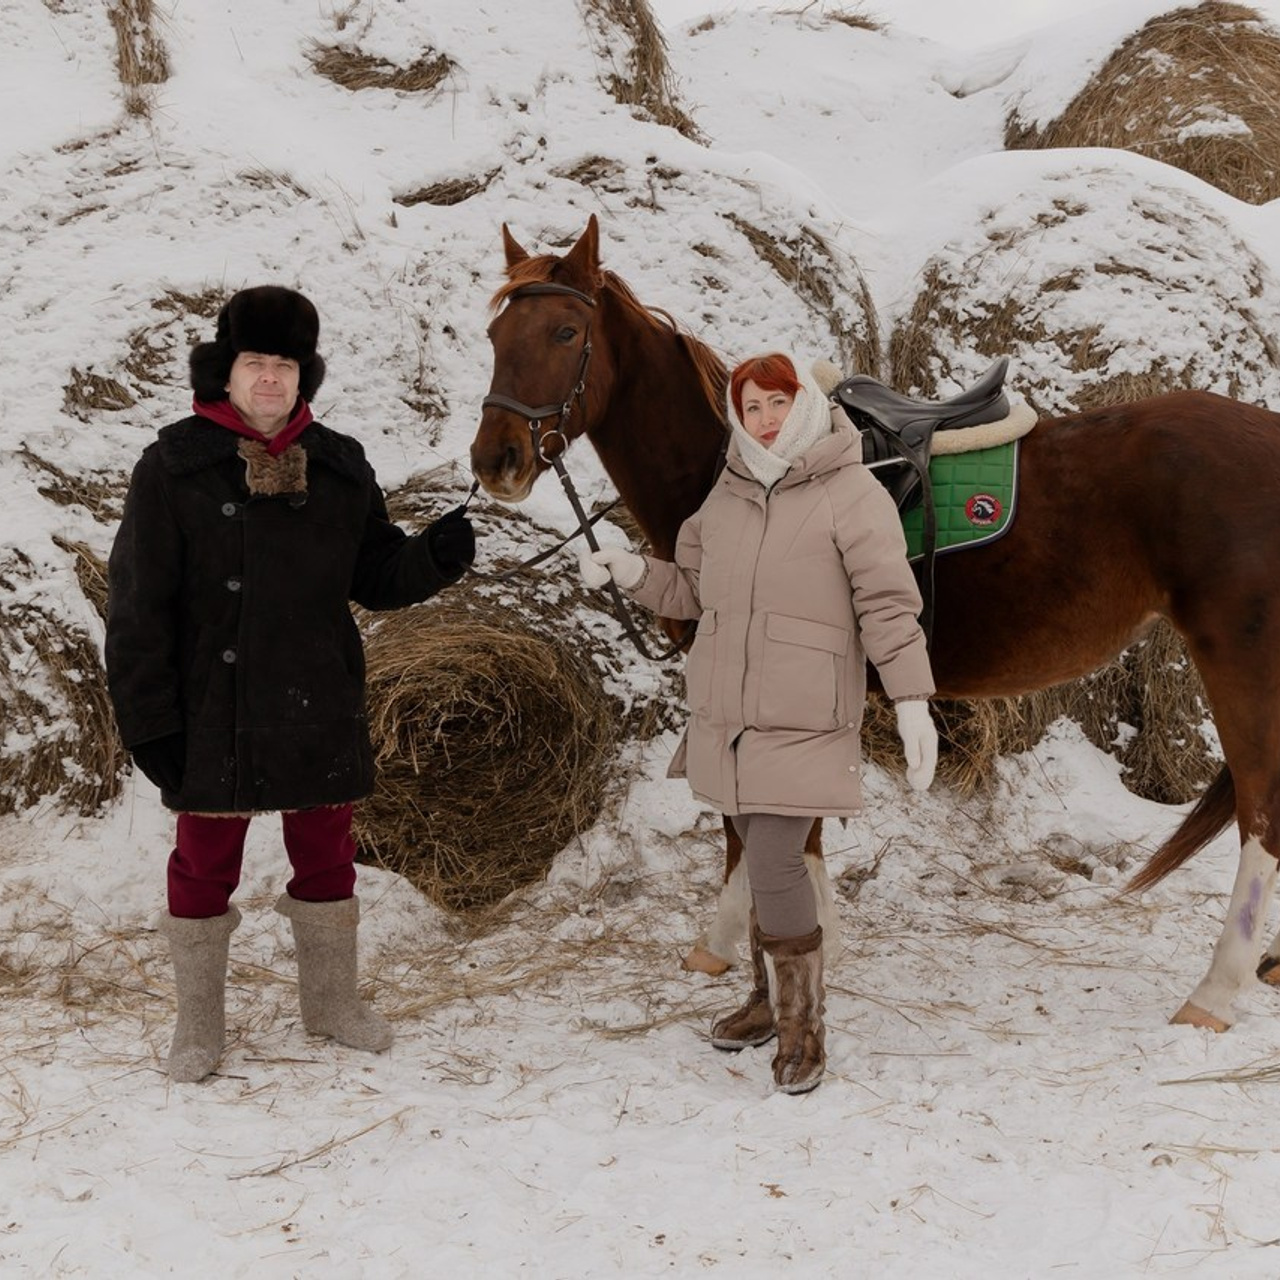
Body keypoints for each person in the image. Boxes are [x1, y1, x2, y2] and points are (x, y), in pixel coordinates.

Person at [106, 285, 477, 1083]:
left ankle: (332, 1005)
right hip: (215, 706)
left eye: (283, 365)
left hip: (316, 697)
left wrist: (432, 558)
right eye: (254, 363)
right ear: (225, 372)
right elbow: (137, 604)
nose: (269, 379)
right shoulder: (175, 464)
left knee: (328, 858)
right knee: (203, 864)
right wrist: (150, 723)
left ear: (302, 376)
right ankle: (198, 1028)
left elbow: (374, 575)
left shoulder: (339, 464)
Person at [579, 351, 937, 1094]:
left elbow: (887, 605)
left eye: (778, 402)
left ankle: (804, 1028)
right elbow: (695, 590)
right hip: (731, 714)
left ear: (803, 403)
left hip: (804, 715)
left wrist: (911, 699)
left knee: (773, 859)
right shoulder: (727, 498)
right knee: (754, 860)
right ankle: (765, 1001)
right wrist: (630, 571)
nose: (766, 420)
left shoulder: (850, 492)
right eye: (752, 408)